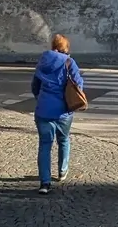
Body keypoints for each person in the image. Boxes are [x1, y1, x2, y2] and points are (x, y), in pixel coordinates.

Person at [32, 33, 84, 194]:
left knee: (44, 146)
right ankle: (62, 170)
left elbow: (35, 86)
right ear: (65, 48)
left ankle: (44, 183)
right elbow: (78, 85)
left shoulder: (42, 61)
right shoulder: (69, 62)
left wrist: (40, 98)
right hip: (63, 110)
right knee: (64, 139)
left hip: (43, 110)